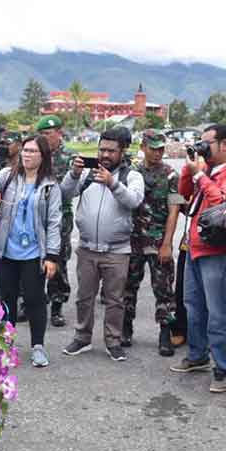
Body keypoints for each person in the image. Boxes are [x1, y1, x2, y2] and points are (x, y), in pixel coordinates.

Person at [170, 124, 226, 392]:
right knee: (193, 306)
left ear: (225, 144)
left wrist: (200, 177)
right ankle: (197, 356)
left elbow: (222, 203)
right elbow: (184, 193)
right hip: (194, 246)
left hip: (217, 251)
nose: (202, 147)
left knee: (218, 313)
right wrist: (190, 169)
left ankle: (222, 368)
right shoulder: (207, 168)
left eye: (207, 143)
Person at [0, 133, 62, 367]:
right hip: (5, 250)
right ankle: (6, 345)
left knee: (35, 299)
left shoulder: (50, 185)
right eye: (25, 150)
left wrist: (52, 256)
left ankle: (38, 346)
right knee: (7, 299)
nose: (27, 155)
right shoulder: (8, 175)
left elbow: (54, 221)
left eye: (33, 151)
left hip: (34, 253)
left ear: (43, 156)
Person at [60, 128, 145, 361]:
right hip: (87, 248)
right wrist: (74, 174)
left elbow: (134, 201)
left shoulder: (132, 176)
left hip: (117, 251)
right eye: (102, 149)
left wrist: (112, 183)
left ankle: (113, 341)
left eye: (111, 150)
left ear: (122, 151)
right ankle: (82, 337)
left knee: (115, 299)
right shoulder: (89, 174)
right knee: (84, 297)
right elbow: (65, 194)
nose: (105, 155)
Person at [123, 130, 184, 356]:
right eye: (153, 148)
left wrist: (167, 243)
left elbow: (174, 210)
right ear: (143, 147)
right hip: (132, 239)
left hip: (158, 240)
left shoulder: (170, 175)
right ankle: (125, 328)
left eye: (161, 148)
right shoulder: (132, 173)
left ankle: (165, 333)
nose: (158, 152)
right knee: (128, 286)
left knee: (164, 289)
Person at [36, 115, 78, 328]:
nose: (44, 138)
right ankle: (32, 301)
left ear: (59, 133)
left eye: (48, 134)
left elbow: (70, 189)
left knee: (58, 258)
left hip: (61, 214)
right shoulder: (36, 154)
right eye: (41, 134)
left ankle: (57, 305)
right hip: (36, 214)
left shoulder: (70, 157)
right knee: (33, 256)